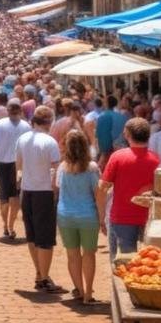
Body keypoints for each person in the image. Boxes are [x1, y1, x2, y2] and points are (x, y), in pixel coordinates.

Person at [16, 105, 65, 293]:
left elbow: (18, 165)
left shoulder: (22, 139)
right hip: (44, 192)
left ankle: (40, 273)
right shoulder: (50, 142)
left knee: (33, 235)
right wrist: (56, 190)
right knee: (45, 238)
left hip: (27, 190)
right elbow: (55, 169)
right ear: (49, 121)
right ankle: (44, 278)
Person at [98, 117, 159, 258]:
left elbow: (102, 188)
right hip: (148, 218)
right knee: (149, 263)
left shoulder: (117, 157)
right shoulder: (156, 159)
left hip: (121, 218)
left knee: (121, 264)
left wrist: (101, 216)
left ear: (127, 135)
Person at [56, 129, 105, 305]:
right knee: (89, 254)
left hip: (65, 215)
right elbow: (98, 194)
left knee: (72, 254)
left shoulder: (62, 167)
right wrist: (102, 218)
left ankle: (79, 288)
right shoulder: (92, 168)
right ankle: (88, 294)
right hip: (87, 216)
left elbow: (59, 189)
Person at [0, 97, 30, 240]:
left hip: (1, 163)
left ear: (7, 111)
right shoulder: (26, 126)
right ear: (20, 111)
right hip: (18, 165)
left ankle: (5, 226)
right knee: (15, 196)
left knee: (4, 196)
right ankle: (11, 225)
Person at [94, 96, 124, 169]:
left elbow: (102, 136)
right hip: (123, 149)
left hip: (110, 152)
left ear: (106, 103)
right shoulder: (122, 116)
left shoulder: (103, 117)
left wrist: (103, 153)